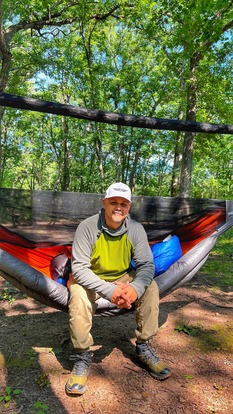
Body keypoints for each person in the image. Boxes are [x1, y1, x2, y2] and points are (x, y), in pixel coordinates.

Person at [65, 182, 171, 395]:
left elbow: (146, 266)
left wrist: (134, 289)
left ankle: (143, 346)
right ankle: (82, 355)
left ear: (129, 207)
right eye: (113, 202)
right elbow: (79, 268)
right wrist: (110, 291)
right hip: (91, 278)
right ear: (104, 203)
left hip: (122, 277)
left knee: (150, 286)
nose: (118, 207)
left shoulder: (135, 229)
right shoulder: (87, 227)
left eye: (123, 203)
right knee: (76, 293)